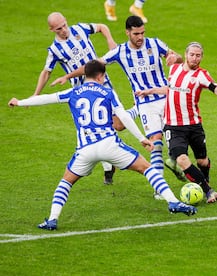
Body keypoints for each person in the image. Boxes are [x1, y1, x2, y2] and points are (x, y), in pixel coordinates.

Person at [8, 60, 197, 231]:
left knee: (66, 182)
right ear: (100, 76)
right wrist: (141, 138)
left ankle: (52, 219)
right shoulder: (107, 92)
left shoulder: (73, 92)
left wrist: (20, 102)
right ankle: (173, 202)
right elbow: (122, 117)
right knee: (147, 168)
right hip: (109, 144)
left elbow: (47, 98)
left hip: (85, 149)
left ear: (85, 75)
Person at [51, 16, 187, 199]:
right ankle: (159, 189)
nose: (140, 37)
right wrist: (68, 77)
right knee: (155, 141)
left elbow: (178, 59)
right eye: (136, 33)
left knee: (179, 135)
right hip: (145, 102)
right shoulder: (120, 52)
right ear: (128, 32)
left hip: (168, 96)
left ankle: (178, 161)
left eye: (142, 33)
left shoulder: (155, 44)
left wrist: (174, 57)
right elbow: (93, 66)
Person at [137, 41, 217, 203]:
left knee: (203, 161)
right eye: (192, 55)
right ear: (186, 55)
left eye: (198, 56)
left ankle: (203, 180)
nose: (194, 58)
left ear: (202, 57)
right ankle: (208, 191)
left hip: (193, 125)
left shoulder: (202, 75)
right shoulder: (174, 69)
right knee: (182, 159)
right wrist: (150, 91)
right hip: (173, 127)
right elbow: (170, 89)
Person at [34, 12, 118, 185]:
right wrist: (36, 94)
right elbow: (46, 71)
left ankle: (108, 160)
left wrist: (109, 40)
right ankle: (106, 165)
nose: (64, 30)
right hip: (81, 94)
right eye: (59, 28)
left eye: (64, 25)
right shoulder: (55, 50)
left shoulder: (80, 28)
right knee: (89, 128)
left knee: (116, 123)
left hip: (103, 85)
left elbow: (102, 27)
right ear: (51, 30)